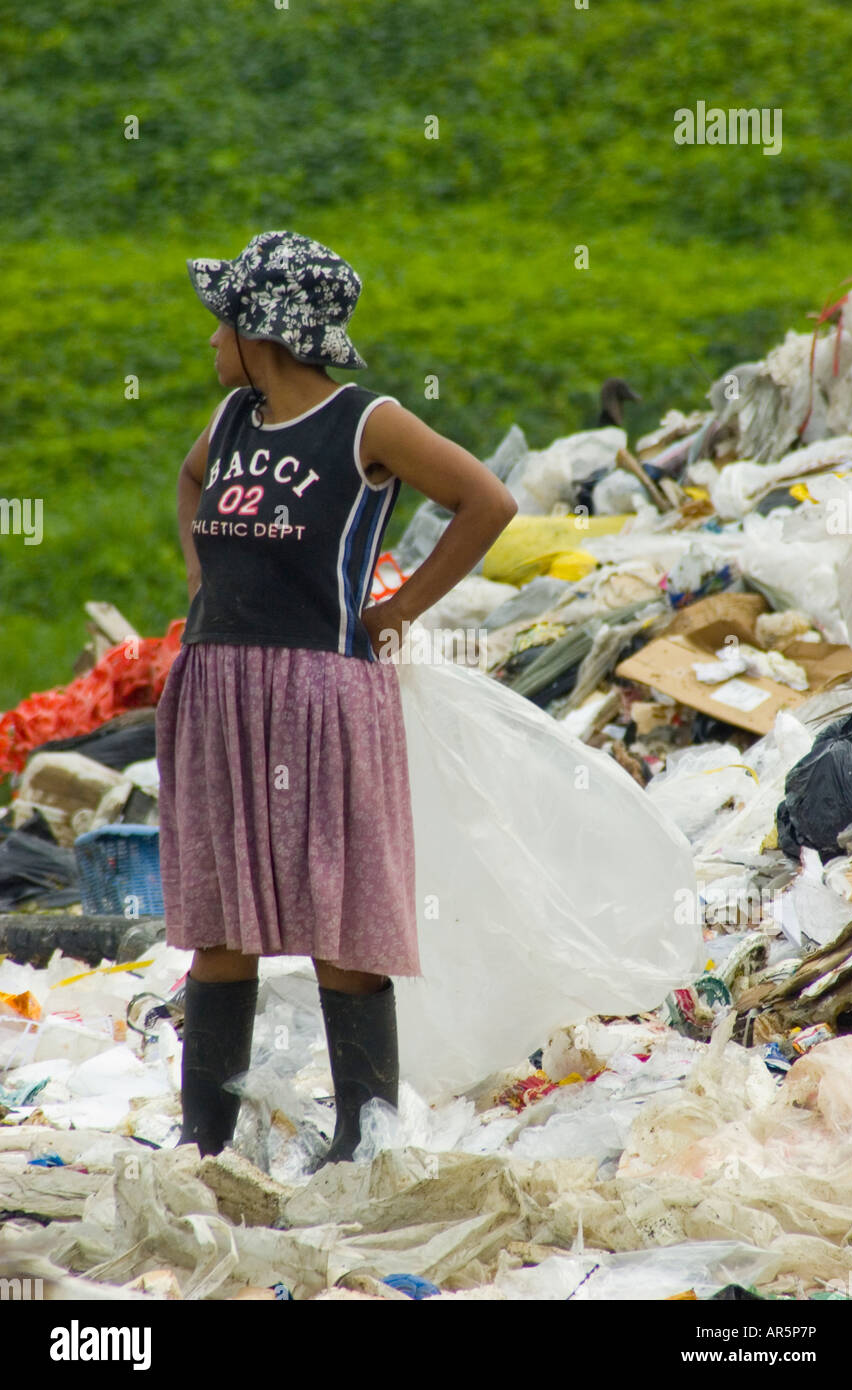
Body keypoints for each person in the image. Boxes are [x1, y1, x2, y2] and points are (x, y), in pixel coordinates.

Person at [155, 230, 517, 1165]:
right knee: (222, 927)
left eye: (220, 323)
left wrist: (398, 607)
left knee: (339, 925)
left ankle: (365, 1141)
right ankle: (206, 1145)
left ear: (262, 333)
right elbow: (190, 483)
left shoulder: (368, 423)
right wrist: (203, 585)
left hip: (320, 693)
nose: (209, 343)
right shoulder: (233, 421)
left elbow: (486, 502)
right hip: (221, 689)